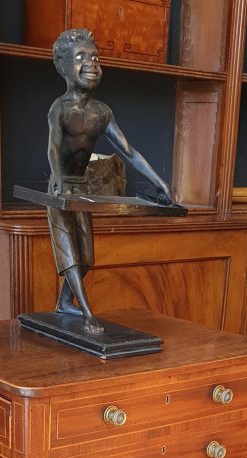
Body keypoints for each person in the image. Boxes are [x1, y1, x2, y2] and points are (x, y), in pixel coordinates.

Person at [47, 28, 173, 334]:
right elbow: (52, 147)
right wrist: (58, 178)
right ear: (64, 66)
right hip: (59, 188)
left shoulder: (101, 113)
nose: (91, 62)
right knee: (70, 255)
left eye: (94, 56)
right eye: (81, 57)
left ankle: (65, 303)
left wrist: (159, 182)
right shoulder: (60, 109)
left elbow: (128, 152)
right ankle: (88, 313)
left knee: (87, 257)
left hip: (83, 189)